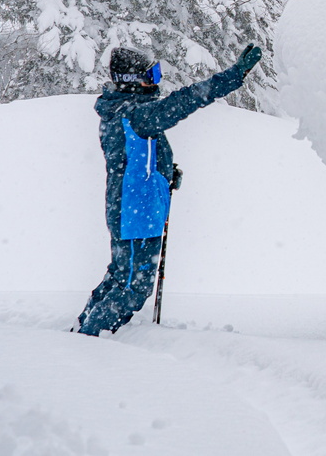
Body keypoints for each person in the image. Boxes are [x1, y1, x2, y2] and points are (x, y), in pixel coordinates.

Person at [74, 43, 262, 336]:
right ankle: (91, 337)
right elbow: (187, 100)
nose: (156, 81)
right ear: (132, 81)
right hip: (135, 213)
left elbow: (133, 157)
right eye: (152, 74)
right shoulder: (135, 114)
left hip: (131, 208)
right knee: (134, 287)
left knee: (121, 274)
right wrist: (235, 75)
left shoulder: (122, 111)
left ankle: (85, 327)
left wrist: (163, 173)